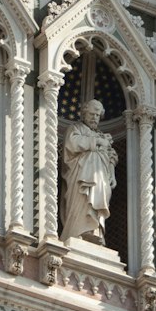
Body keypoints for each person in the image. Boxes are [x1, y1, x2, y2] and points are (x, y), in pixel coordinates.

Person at [60, 99, 117, 243]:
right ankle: (77, 230)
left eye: (97, 115)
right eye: (91, 114)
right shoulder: (75, 128)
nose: (94, 118)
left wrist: (112, 174)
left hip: (100, 177)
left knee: (98, 200)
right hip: (80, 176)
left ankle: (95, 231)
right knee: (82, 201)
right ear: (84, 113)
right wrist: (97, 142)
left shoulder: (103, 136)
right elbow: (71, 144)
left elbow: (111, 156)